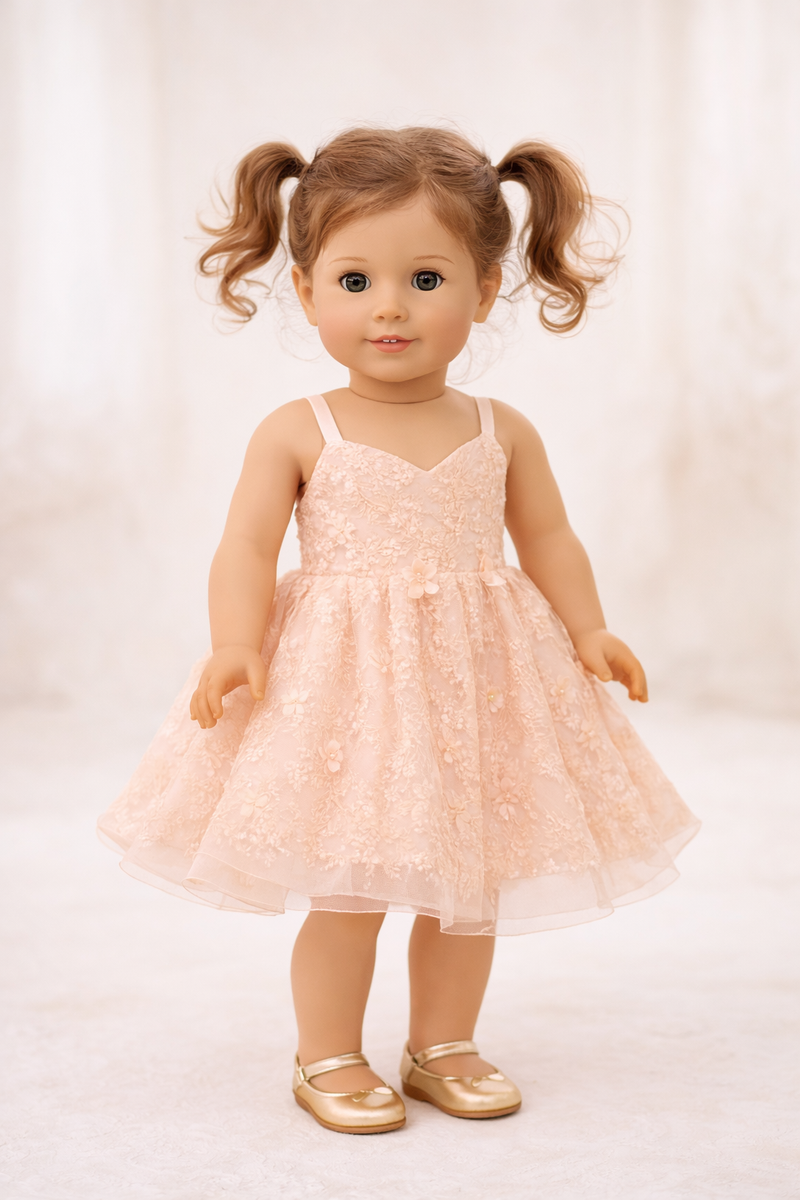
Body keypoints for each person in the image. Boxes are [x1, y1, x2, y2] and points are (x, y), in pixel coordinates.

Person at [98, 126, 700, 1135]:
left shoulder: (499, 428)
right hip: (345, 689)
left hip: (479, 680)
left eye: (425, 279)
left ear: (485, 286)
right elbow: (245, 545)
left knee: (468, 881)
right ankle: (326, 1051)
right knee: (350, 887)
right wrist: (234, 642)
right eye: (355, 280)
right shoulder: (300, 428)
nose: (389, 306)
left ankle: (442, 1042)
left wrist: (589, 628)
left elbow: (548, 536)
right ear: (305, 292)